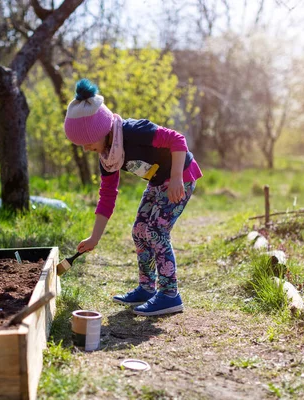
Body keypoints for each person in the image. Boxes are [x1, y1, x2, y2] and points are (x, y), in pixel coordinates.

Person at [63, 78, 203, 316]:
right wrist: (94, 237)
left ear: (101, 131)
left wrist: (177, 177)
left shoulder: (135, 131)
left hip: (182, 177)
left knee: (156, 232)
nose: (86, 149)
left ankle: (170, 295)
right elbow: (107, 196)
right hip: (158, 182)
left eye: (87, 143)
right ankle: (147, 288)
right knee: (139, 230)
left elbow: (177, 140)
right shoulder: (109, 157)